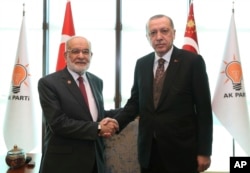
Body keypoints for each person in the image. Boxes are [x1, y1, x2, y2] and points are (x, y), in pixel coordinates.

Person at [114, 14, 213, 173]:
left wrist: (204, 152)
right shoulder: (142, 64)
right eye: (153, 33)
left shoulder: (193, 62)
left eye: (164, 31)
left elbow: (204, 111)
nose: (159, 37)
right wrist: (115, 123)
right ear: (147, 37)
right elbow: (134, 103)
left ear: (174, 33)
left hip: (182, 153)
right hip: (149, 153)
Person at [38, 36, 119, 173]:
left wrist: (133, 109)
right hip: (63, 164)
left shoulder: (96, 81)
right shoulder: (49, 83)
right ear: (66, 55)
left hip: (94, 161)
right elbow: (58, 123)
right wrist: (99, 127)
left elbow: (95, 115)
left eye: (86, 52)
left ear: (91, 55)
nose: (81, 56)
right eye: (75, 51)